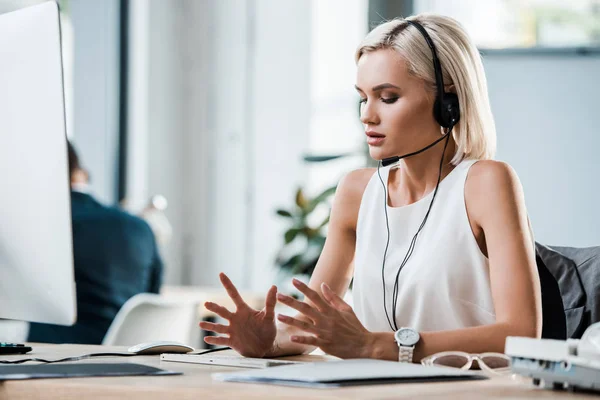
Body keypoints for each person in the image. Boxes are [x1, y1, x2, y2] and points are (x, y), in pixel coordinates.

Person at [200, 14, 542, 363]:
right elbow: (309, 327)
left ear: (447, 100)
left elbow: (521, 333)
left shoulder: (486, 183)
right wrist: (269, 340)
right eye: (364, 98)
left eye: (388, 98)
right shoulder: (356, 191)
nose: (367, 115)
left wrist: (374, 346)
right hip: (372, 388)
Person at [28, 142, 164, 344]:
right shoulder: (140, 227)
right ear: (77, 172)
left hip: (63, 355)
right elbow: (153, 297)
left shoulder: (41, 225)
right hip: (133, 356)